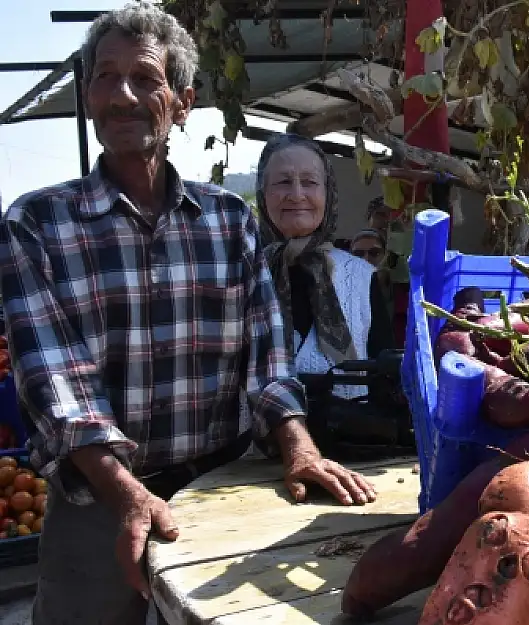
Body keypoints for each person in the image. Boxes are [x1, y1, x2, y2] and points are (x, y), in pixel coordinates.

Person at [0, 5, 375, 624]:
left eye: (146, 79)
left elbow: (268, 354)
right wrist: (125, 493)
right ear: (89, 97)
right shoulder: (37, 224)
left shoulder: (229, 221)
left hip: (219, 489)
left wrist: (297, 444)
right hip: (97, 499)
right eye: (105, 77)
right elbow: (54, 379)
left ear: (181, 100)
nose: (123, 95)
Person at [256, 133, 394, 388]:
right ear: (263, 193)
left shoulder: (361, 277)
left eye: (309, 182)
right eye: (283, 182)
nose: (297, 195)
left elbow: (384, 375)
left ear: (328, 193)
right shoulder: (242, 272)